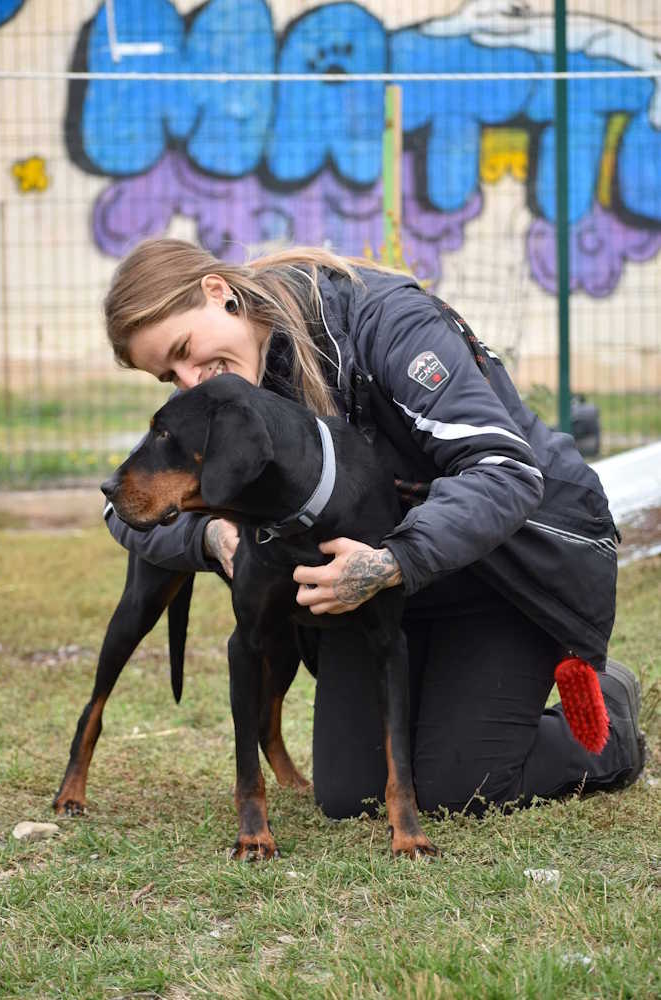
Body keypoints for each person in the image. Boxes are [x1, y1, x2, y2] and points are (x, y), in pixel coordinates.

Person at [103, 238, 645, 819]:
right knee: (349, 796)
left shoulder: (388, 323)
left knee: (459, 783)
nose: (190, 379)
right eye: (168, 374)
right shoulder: (225, 397)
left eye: (185, 349)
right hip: (383, 594)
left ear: (218, 292)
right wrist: (210, 537)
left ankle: (612, 714)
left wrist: (392, 561)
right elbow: (125, 508)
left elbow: (505, 472)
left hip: (503, 567)